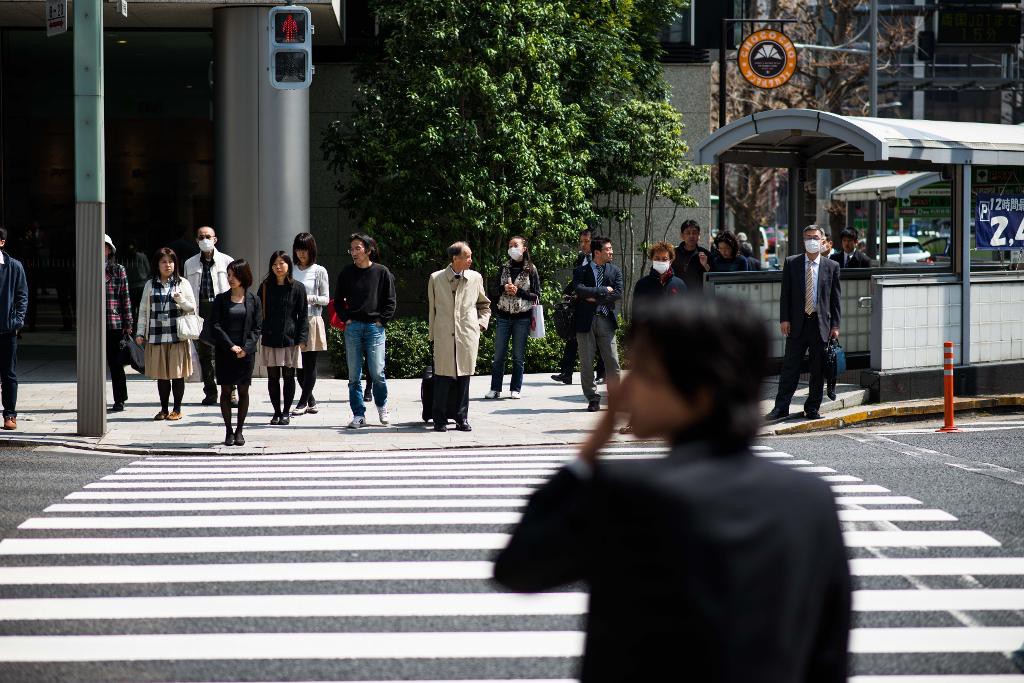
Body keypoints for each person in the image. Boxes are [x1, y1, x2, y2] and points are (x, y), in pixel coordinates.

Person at [493, 296, 851, 683]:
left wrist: (588, 452)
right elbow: (827, 657)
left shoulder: (630, 494)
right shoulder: (812, 500)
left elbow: (518, 567)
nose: (629, 389)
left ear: (700, 395)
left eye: (646, 374)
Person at [766, 225, 842, 421]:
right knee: (790, 367)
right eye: (808, 237)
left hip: (820, 325)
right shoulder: (792, 263)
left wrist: (835, 326)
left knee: (818, 370)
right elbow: (786, 295)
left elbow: (835, 299)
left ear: (823, 240)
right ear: (803, 240)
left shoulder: (831, 266)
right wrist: (784, 319)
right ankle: (781, 407)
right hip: (797, 324)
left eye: (815, 237)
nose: (812, 240)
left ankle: (813, 408)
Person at [619, 241, 685, 434]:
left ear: (671, 260)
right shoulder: (643, 285)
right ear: (651, 259)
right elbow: (637, 315)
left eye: (665, 259)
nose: (661, 262)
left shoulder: (679, 285)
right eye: (657, 258)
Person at [334, 232, 398, 429]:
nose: (354, 252)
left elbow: (391, 301)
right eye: (351, 249)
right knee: (354, 375)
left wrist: (382, 320)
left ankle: (381, 405)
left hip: (374, 328)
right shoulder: (346, 273)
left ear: (368, 250)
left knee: (377, 372)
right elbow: (337, 301)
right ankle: (358, 414)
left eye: (357, 248)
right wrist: (347, 319)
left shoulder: (382, 272)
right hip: (353, 328)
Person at [427, 241, 490, 432]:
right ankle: (439, 419)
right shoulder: (436, 278)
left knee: (464, 378)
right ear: (455, 258)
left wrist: (480, 324)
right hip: (444, 333)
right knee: (442, 378)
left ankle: (462, 418)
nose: (470, 260)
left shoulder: (475, 278)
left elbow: (484, 305)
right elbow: (432, 309)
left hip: (467, 335)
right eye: (467, 256)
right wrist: (432, 335)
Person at [135, 248, 196, 421]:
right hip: (157, 336)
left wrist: (180, 300)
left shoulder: (182, 283)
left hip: (178, 336)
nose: (167, 265)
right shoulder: (150, 284)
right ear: (157, 264)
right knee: (162, 376)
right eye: (163, 261)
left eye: (170, 261)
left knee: (177, 375)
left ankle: (177, 409)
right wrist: (140, 332)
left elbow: (192, 308)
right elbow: (144, 311)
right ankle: (163, 409)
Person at [207, 259, 261, 446]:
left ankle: (239, 431)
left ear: (243, 276)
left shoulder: (254, 299)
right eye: (229, 275)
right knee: (226, 390)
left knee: (244, 390)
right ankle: (228, 431)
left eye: (234, 275)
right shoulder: (221, 299)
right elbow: (216, 325)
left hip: (246, 353)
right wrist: (231, 346)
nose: (230, 278)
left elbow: (257, 327)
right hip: (225, 351)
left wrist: (245, 348)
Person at [183, 226, 233, 406]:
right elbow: (187, 288)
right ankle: (210, 391)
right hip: (200, 311)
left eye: (208, 236)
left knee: (227, 353)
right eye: (201, 237)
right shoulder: (189, 263)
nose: (205, 239)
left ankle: (231, 392)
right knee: (205, 354)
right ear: (196, 240)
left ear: (215, 239)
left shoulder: (227, 261)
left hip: (221, 310)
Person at [572, 236, 622, 412]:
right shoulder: (581, 271)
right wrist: (602, 290)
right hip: (585, 322)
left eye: (611, 248)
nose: (611, 251)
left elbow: (617, 293)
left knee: (613, 362)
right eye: (608, 249)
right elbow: (579, 290)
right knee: (586, 363)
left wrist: (593, 298)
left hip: (606, 320)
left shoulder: (614, 270)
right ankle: (592, 398)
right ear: (597, 252)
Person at [487, 236, 540, 400]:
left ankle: (515, 388)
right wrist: (504, 288)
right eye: (510, 245)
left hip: (522, 318)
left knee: (518, 356)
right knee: (499, 355)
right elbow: (493, 291)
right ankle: (495, 388)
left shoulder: (531, 269)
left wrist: (519, 292)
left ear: (524, 248)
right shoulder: (504, 267)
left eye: (515, 245)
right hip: (503, 316)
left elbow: (537, 296)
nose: (512, 248)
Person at [259, 251, 308, 425]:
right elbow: (258, 312)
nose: (278, 267)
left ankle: (286, 412)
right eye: (274, 264)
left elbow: (303, 315)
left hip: (290, 338)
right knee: (272, 377)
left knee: (289, 376)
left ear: (288, 265)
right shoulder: (265, 286)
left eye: (281, 263)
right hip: (270, 337)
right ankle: (276, 412)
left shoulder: (298, 287)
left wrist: (302, 338)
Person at [552, 228, 604, 385]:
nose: (583, 245)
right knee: (572, 337)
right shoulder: (581, 258)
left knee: (600, 340)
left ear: (594, 242)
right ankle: (566, 373)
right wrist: (567, 292)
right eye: (581, 242)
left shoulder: (602, 259)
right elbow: (576, 280)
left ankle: (602, 373)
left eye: (586, 242)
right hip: (579, 306)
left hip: (596, 306)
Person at [291, 233, 330, 416]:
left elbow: (326, 299)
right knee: (297, 364)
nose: (301, 253)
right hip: (294, 320)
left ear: (311, 249)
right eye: (298, 249)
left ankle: (302, 402)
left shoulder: (319, 270)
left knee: (309, 363)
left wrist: (309, 298)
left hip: (312, 319)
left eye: (304, 249)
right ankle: (311, 400)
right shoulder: (291, 269)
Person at [0, 227, 28, 430]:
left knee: (8, 374)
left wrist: (17, 321)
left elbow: (22, 296)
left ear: (2, 242)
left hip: (7, 330)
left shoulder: (14, 267)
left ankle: (10, 414)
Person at [103, 235, 133, 413]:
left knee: (116, 363)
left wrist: (128, 322)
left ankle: (119, 399)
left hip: (114, 322)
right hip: (94, 323)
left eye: (104, 247)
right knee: (94, 364)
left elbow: (125, 297)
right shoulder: (88, 268)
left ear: (109, 250)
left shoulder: (118, 270)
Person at [671, 219, 713, 291]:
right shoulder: (673, 253)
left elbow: (714, 277)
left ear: (699, 235)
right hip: (678, 295)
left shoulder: (706, 254)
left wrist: (705, 265)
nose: (691, 236)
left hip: (698, 297)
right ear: (682, 235)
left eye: (694, 233)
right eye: (688, 233)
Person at [124, 239, 151, 327]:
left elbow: (148, 270)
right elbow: (148, 270)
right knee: (140, 309)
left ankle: (135, 328)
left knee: (134, 310)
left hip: (135, 286)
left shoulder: (126, 257)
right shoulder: (142, 256)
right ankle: (138, 328)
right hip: (138, 285)